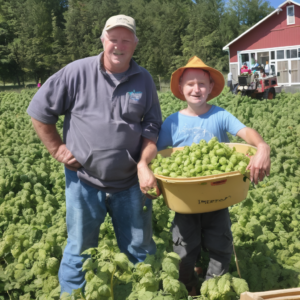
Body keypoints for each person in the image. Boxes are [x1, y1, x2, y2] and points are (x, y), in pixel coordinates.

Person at [27, 14, 162, 295]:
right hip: (83, 181)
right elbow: (40, 110)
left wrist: (144, 163)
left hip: (130, 185)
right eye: (114, 39)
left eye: (126, 40)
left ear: (135, 44)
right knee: (79, 249)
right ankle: (72, 295)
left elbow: (151, 128)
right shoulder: (77, 72)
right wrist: (57, 148)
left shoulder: (144, 79)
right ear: (103, 40)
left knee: (140, 250)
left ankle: (140, 293)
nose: (119, 46)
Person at [156, 56, 271, 296]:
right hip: (184, 202)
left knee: (221, 247)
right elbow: (161, 157)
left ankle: (211, 287)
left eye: (201, 84)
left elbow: (245, 131)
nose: (196, 89)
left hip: (218, 198)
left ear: (210, 88)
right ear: (180, 88)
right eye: (190, 84)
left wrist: (262, 146)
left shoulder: (220, 115)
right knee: (184, 250)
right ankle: (187, 286)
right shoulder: (172, 122)